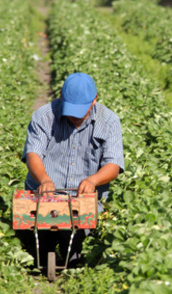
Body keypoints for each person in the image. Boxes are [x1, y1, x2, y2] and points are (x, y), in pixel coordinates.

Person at [17, 72, 124, 268]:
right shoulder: (44, 116)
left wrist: (93, 181)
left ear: (94, 101)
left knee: (77, 257)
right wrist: (44, 180)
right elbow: (33, 154)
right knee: (37, 245)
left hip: (82, 200)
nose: (75, 116)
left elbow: (113, 165)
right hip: (44, 197)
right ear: (60, 98)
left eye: (80, 110)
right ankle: (44, 246)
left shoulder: (108, 121)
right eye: (71, 109)